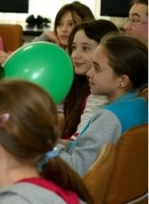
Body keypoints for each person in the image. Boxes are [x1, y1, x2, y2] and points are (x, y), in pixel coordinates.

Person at [59, 35, 148, 174]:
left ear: (122, 81)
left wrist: (51, 150)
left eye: (97, 68)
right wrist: (62, 144)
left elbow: (77, 170)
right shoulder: (140, 104)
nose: (89, 73)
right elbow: (91, 149)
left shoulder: (109, 119)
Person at [62, 19, 119, 140]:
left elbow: (79, 141)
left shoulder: (100, 93)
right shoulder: (81, 83)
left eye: (85, 48)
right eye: (74, 47)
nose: (75, 55)